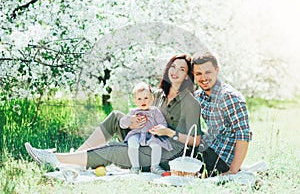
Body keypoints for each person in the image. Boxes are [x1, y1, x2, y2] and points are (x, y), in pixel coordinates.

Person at [25, 54, 202, 174]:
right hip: (142, 139)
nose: (175, 71)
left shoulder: (190, 103)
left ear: (187, 76)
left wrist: (169, 132)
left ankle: (56, 160)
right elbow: (142, 114)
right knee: (117, 116)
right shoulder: (157, 94)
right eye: (173, 66)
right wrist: (132, 122)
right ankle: (76, 159)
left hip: (162, 152)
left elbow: (196, 141)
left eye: (181, 69)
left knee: (113, 150)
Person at [192, 52, 252, 177]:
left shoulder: (230, 97)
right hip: (209, 148)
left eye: (208, 72)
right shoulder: (199, 96)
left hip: (222, 159)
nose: (203, 78)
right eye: (198, 73)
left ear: (217, 70)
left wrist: (232, 171)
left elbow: (243, 135)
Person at [119, 82, 172, 175]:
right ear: (135, 101)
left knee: (157, 145)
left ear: (152, 99)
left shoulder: (155, 111)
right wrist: (130, 119)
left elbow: (163, 123)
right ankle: (135, 167)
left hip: (151, 134)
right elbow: (122, 124)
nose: (143, 101)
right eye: (139, 99)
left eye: (146, 98)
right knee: (132, 143)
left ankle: (155, 166)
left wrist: (158, 129)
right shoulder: (133, 112)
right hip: (136, 134)